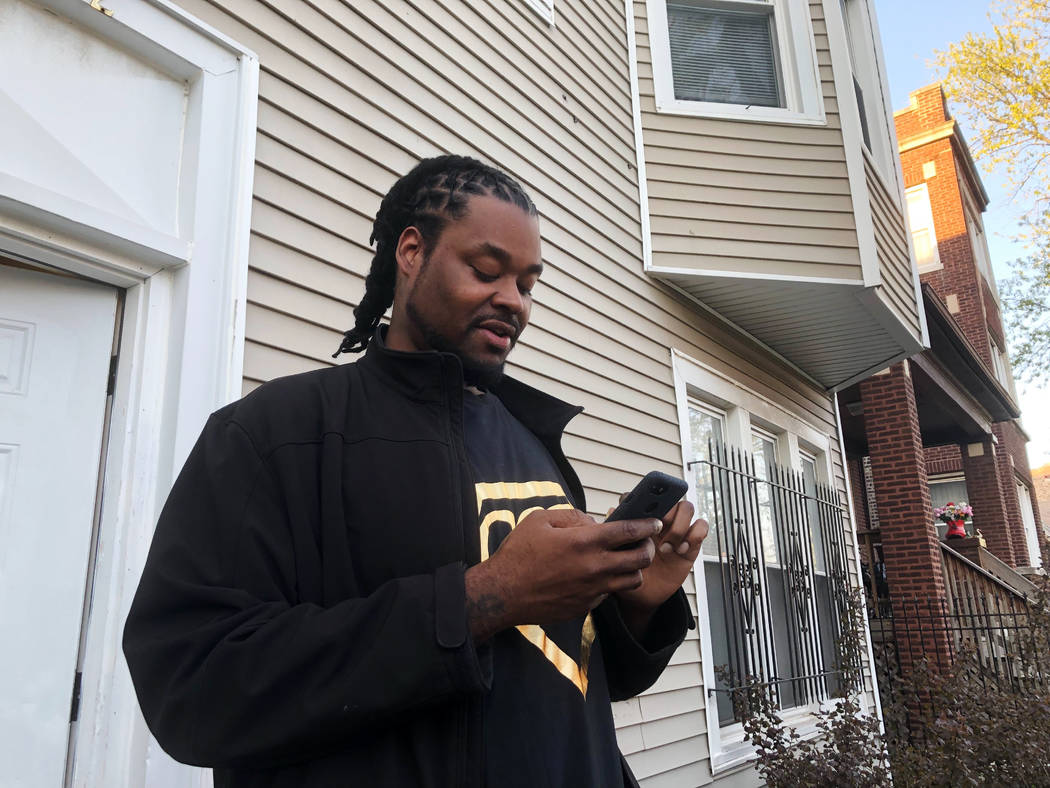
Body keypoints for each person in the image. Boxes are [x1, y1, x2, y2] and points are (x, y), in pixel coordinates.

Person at [123, 155, 708, 788]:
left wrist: (637, 609)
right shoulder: (276, 434)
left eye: (528, 284)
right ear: (411, 252)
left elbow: (575, 675)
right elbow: (192, 686)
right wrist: (487, 597)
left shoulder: (533, 443)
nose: (512, 301)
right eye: (486, 271)